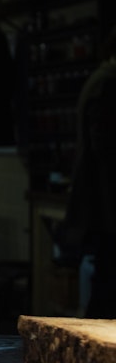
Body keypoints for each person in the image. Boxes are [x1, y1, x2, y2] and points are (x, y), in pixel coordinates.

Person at [59, 26, 116, 317]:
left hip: (104, 204)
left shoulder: (103, 80)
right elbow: (103, 144)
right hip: (106, 205)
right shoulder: (107, 82)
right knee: (107, 287)